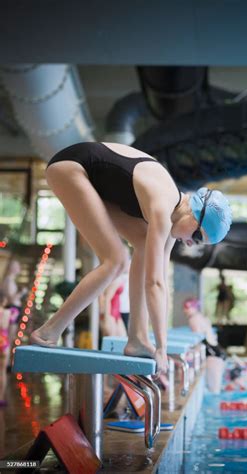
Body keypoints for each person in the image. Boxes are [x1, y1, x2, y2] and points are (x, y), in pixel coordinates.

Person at [30, 142, 232, 377]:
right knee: (115, 261)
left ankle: (136, 338)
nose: (190, 243)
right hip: (71, 168)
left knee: (143, 247)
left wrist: (157, 343)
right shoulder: (163, 205)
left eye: (197, 242)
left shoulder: (170, 223)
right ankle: (48, 332)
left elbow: (161, 283)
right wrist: (162, 348)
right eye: (197, 236)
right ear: (194, 213)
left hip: (92, 178)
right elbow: (153, 283)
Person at [183, 297, 227, 393]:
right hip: (218, 352)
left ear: (194, 308)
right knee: (216, 390)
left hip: (213, 356)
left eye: (187, 307)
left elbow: (198, 340)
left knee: (214, 391)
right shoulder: (201, 317)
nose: (184, 310)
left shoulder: (193, 319)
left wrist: (190, 356)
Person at [0, 290, 11, 406]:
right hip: (3, 342)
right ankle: (1, 398)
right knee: (2, 371)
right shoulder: (7, 312)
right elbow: (5, 326)